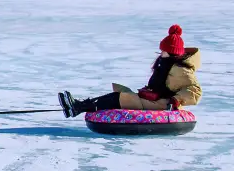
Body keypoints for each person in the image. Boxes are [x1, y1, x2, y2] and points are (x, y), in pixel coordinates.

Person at [58, 25, 202, 118]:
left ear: (171, 52)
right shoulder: (164, 64)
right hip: (153, 99)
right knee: (118, 94)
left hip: (162, 104)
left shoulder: (180, 70)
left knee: (119, 99)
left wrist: (176, 100)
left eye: (164, 50)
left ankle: (78, 108)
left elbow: (195, 90)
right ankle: (78, 106)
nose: (161, 52)